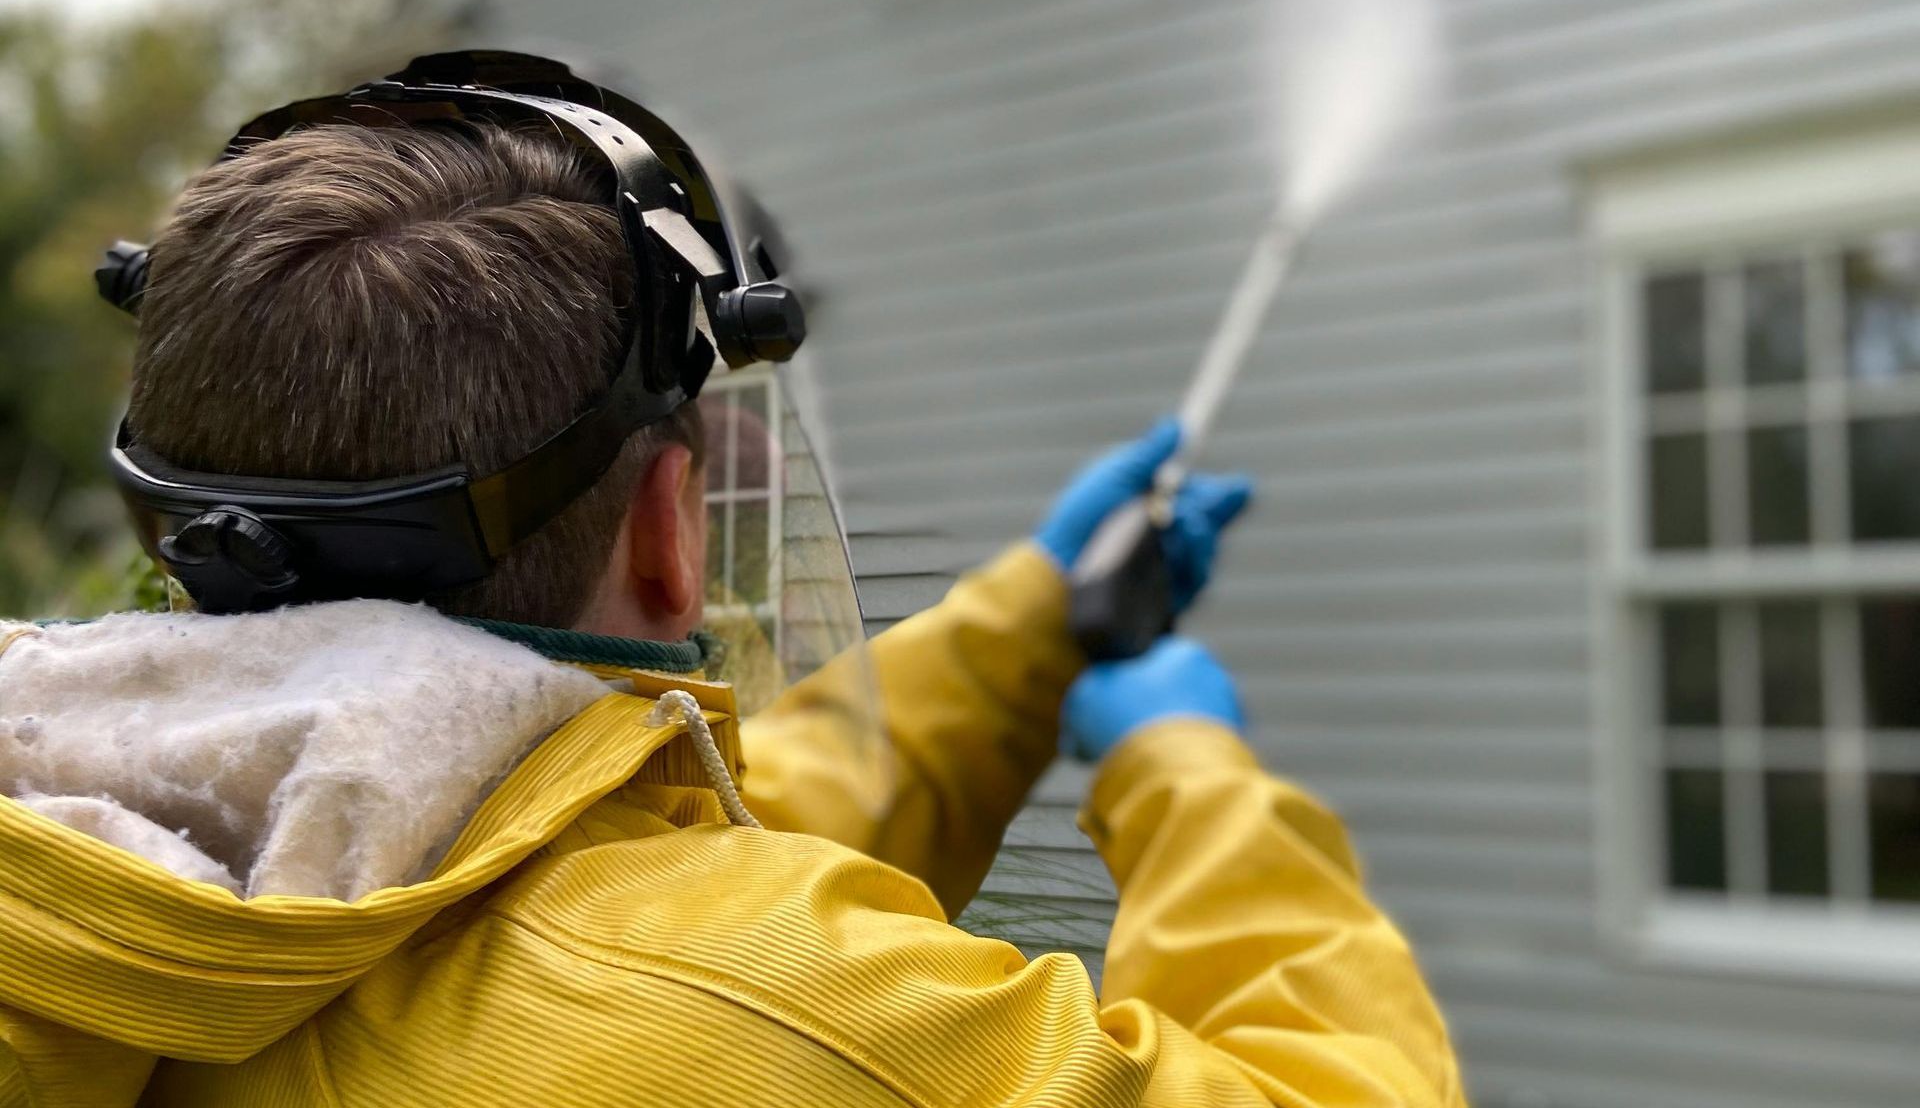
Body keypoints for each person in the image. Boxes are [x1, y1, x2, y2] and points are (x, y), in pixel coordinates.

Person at [0, 57, 1464, 1107]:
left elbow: (601, 877)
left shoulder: (105, 887)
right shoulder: (788, 1041)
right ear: (668, 527)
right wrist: (1185, 769)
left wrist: (1032, 629)